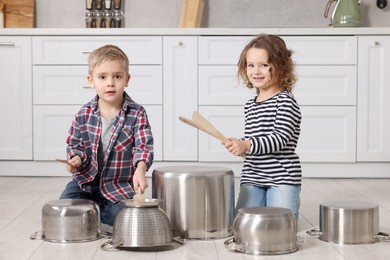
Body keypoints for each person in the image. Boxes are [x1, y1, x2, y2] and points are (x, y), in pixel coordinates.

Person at [59, 44, 154, 226]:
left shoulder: (137, 113)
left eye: (117, 76)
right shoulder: (83, 113)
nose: (110, 82)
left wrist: (141, 169)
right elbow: (75, 144)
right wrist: (75, 159)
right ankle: (91, 212)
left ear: (127, 79)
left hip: (117, 186)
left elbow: (143, 147)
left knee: (123, 218)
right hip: (85, 183)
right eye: (102, 77)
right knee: (64, 209)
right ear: (91, 80)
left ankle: (93, 215)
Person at [224, 34, 302, 222]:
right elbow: (256, 137)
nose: (256, 71)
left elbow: (279, 139)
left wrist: (248, 144)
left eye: (264, 65)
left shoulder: (286, 102)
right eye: (251, 65)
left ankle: (288, 198)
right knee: (242, 224)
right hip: (253, 174)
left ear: (281, 67)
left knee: (280, 225)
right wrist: (239, 144)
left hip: (282, 176)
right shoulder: (250, 105)